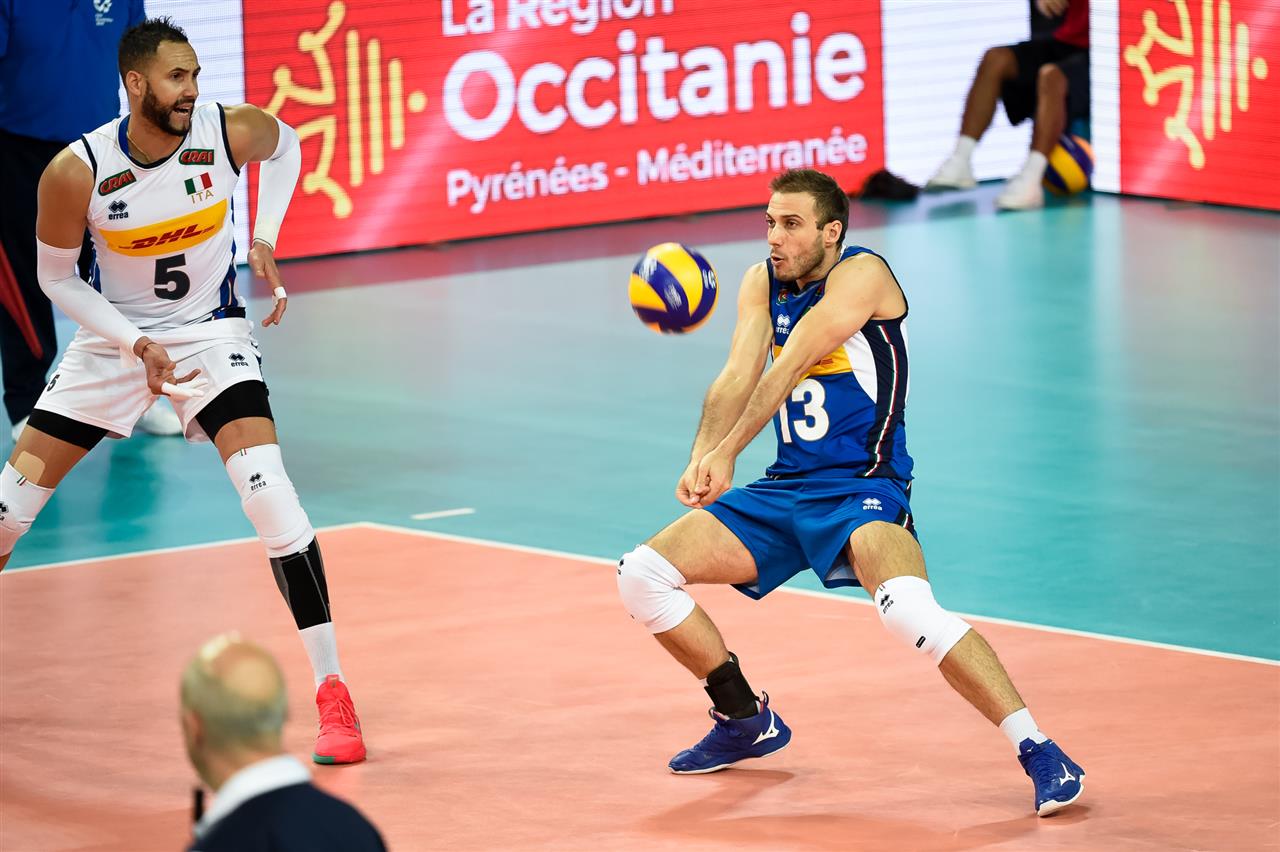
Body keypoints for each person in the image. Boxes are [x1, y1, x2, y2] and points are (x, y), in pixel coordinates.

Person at [615, 168, 1086, 816]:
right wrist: (701, 456)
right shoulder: (760, 282)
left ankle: (1041, 750)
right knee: (642, 574)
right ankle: (744, 717)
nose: (774, 237)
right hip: (786, 487)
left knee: (908, 611)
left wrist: (729, 453)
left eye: (791, 224)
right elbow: (737, 375)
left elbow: (789, 366)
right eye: (770, 222)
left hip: (863, 487)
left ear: (831, 231)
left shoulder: (864, 275)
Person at [0, 17, 365, 764]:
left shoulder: (227, 132)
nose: (192, 89)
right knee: (8, 512)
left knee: (272, 498)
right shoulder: (78, 169)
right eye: (176, 77)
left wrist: (263, 238)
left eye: (195, 74)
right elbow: (55, 279)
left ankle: (334, 693)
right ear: (135, 83)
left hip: (210, 334)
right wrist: (135, 343)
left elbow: (289, 146)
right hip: (114, 343)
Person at [0, 0, 183, 441]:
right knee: (25, 278)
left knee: (121, 276)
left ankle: (134, 394)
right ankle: (27, 401)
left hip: (101, 150)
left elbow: (144, 66)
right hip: (18, 152)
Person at [182, 633, 386, 851]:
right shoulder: (359, 830)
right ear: (285, 713)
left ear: (195, 728)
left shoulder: (214, 844)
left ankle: (329, 680)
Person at [925, 0, 1090, 210]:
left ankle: (1031, 180)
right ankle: (961, 160)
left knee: (1051, 76)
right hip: (1069, 40)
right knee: (996, 59)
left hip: (1109, 47)